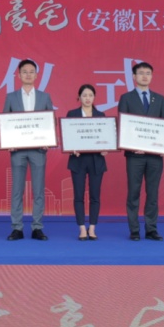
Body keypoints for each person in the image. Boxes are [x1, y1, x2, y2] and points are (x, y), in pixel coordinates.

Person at [3, 58, 54, 241]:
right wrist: (8, 142)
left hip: (38, 150)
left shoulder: (44, 97)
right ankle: (17, 228)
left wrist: (49, 140)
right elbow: (5, 123)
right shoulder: (11, 97)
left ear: (36, 75)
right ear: (18, 75)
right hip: (18, 150)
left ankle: (37, 227)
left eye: (31, 71)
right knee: (17, 190)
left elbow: (50, 122)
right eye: (24, 71)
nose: (28, 75)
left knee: (38, 190)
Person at [117, 62, 164, 241]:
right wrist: (131, 146)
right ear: (134, 77)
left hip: (155, 156)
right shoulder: (126, 98)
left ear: (152, 76)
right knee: (134, 193)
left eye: (148, 73)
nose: (145, 76)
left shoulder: (159, 99)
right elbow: (123, 125)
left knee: (152, 194)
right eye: (141, 73)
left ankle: (151, 229)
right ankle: (134, 230)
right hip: (134, 155)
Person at [66, 84, 107, 241]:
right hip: (78, 160)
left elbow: (106, 138)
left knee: (95, 196)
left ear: (94, 97)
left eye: (90, 95)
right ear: (79, 97)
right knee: (78, 195)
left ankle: (93, 227)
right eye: (84, 95)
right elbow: (67, 137)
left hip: (96, 160)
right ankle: (82, 228)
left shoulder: (101, 116)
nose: (87, 98)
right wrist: (71, 149)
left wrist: (106, 148)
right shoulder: (72, 114)